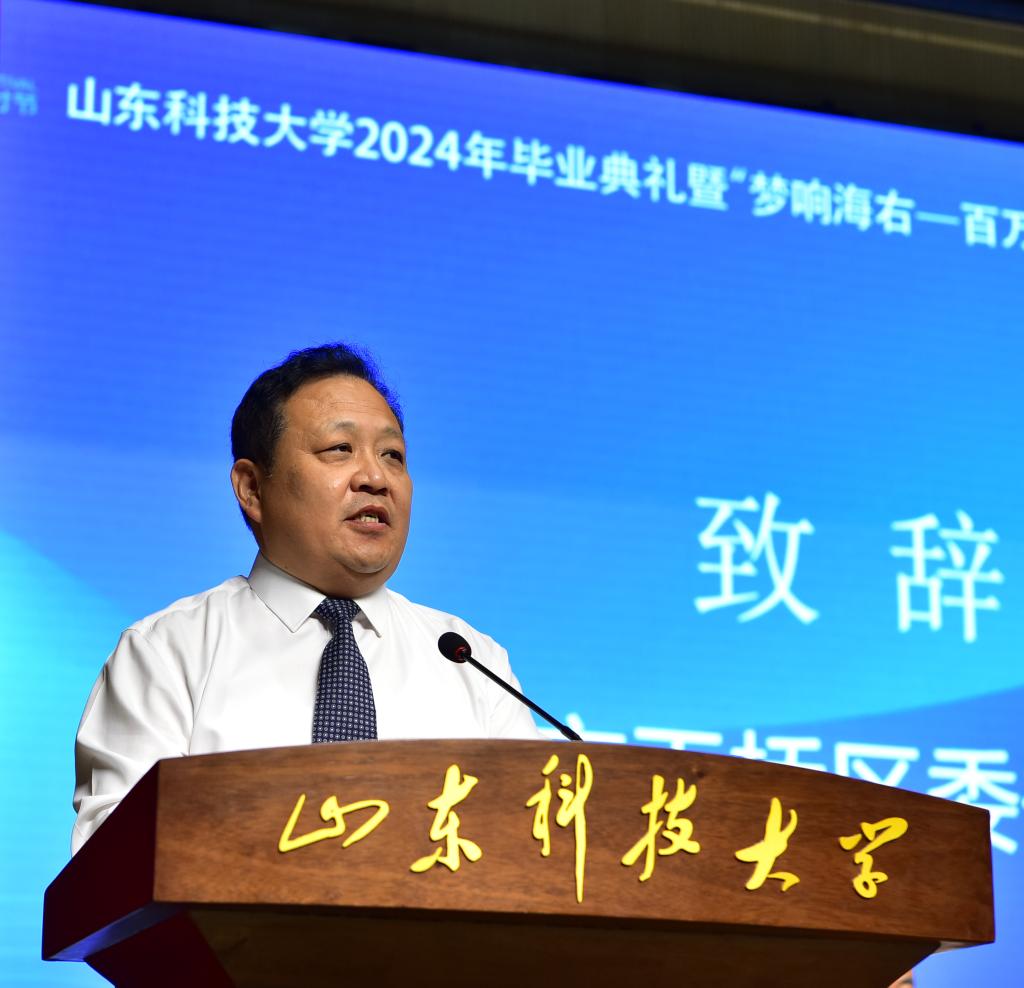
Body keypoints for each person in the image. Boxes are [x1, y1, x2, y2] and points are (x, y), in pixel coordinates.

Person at [72, 343, 541, 854]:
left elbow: (528, 853)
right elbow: (116, 865)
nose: (375, 478)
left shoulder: (472, 663)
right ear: (252, 488)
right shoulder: (167, 654)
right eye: (340, 449)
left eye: (393, 456)